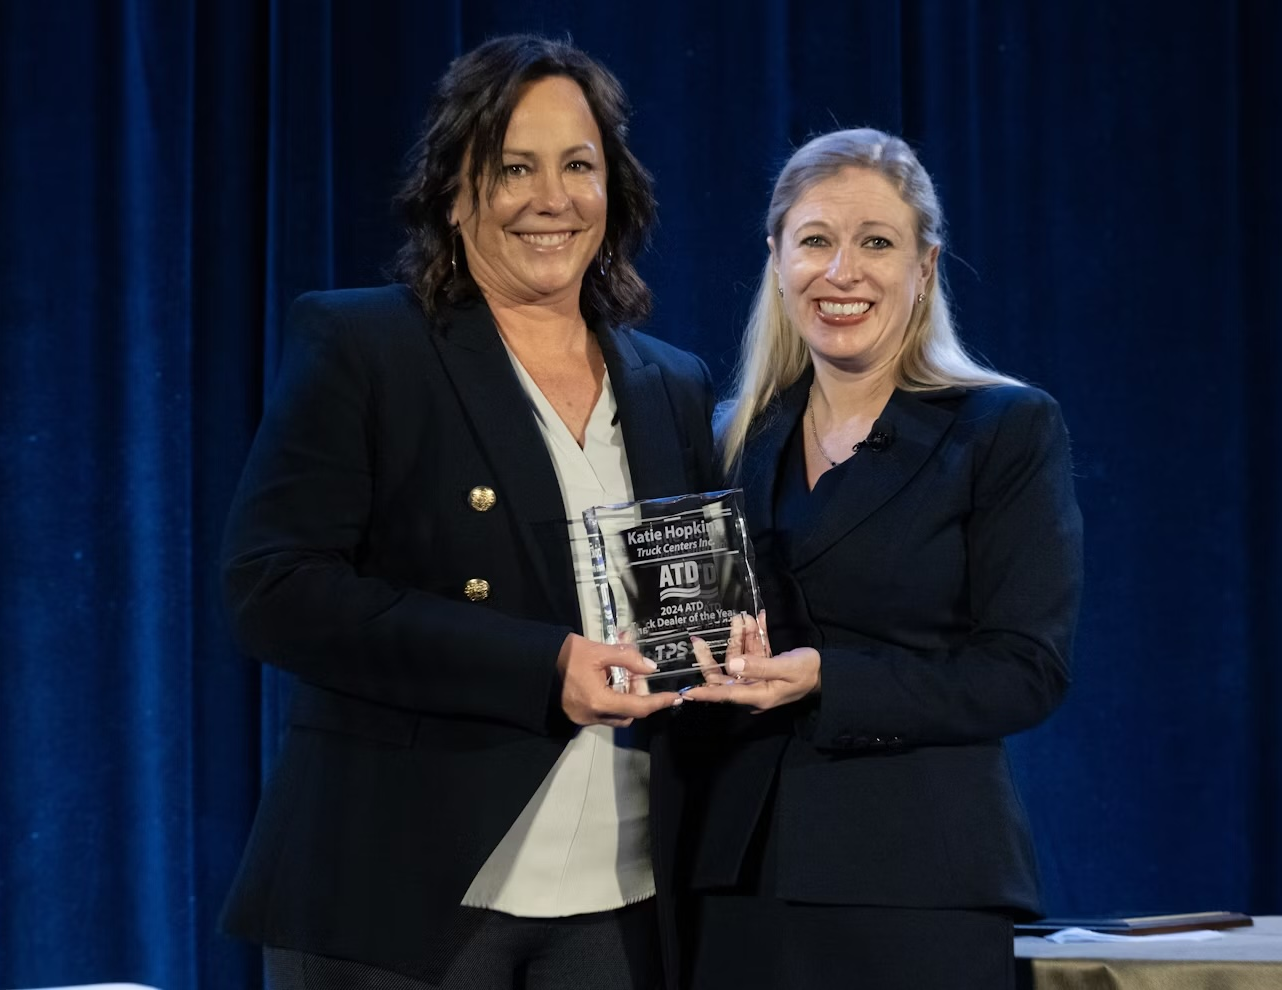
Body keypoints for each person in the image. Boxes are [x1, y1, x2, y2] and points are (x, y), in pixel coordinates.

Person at [217, 36, 715, 990]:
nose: (550, 198)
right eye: (511, 168)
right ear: (454, 192)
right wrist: (543, 665)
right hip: (401, 888)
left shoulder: (672, 383)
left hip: (622, 897)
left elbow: (677, 606)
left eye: (579, 166)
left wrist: (726, 644)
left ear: (615, 190)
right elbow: (273, 590)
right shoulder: (366, 345)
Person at [678, 128, 1084, 990]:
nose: (842, 272)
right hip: (736, 878)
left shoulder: (1002, 430)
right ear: (776, 260)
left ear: (925, 266)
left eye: (877, 243)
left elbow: (1025, 670)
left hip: (918, 881)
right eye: (816, 240)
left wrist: (827, 676)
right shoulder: (726, 443)